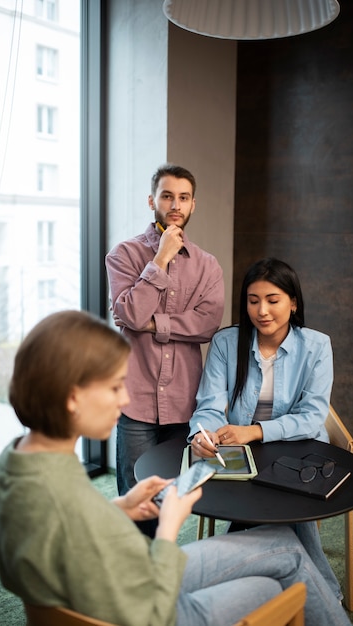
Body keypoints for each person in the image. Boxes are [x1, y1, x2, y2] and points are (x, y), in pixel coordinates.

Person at [0, 310, 353, 626]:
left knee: (282, 544)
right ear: (73, 397)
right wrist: (169, 526)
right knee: (275, 583)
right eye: (115, 387)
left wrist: (118, 509)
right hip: (155, 607)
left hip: (111, 584)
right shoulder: (70, 503)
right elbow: (155, 610)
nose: (126, 398)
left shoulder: (10, 465)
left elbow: (65, 532)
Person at [188, 257, 342, 601]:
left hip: (299, 448)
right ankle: (320, 595)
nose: (262, 311)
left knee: (289, 505)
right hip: (239, 452)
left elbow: (312, 416)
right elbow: (210, 404)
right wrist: (204, 433)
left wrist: (255, 431)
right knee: (269, 507)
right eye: (253, 300)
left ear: (293, 302)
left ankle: (305, 591)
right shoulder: (227, 343)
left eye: (273, 300)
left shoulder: (317, 345)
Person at [105, 163, 224, 506]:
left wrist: (150, 323)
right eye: (167, 196)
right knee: (135, 498)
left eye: (183, 198)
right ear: (151, 200)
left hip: (184, 402)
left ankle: (162, 558)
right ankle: (136, 560)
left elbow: (207, 325)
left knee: (173, 498)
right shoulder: (123, 255)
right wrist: (159, 260)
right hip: (135, 399)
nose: (175, 205)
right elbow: (128, 313)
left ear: (192, 204)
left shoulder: (208, 265)